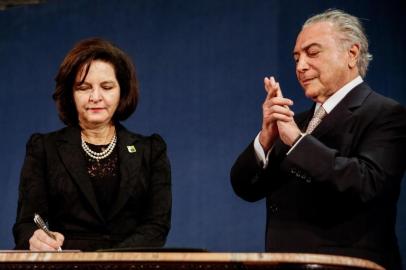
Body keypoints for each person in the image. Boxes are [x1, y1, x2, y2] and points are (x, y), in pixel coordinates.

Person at [230, 9, 406, 270]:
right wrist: (265, 139)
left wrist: (299, 143)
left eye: (312, 53)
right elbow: (246, 188)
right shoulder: (295, 123)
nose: (300, 66)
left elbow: (367, 183)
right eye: (297, 57)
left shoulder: (384, 113)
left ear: (352, 54)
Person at [13, 38, 171, 251]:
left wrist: (107, 262)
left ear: (122, 91)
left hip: (129, 265)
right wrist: (35, 238)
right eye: (84, 87)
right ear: (70, 94)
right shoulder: (43, 148)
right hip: (66, 266)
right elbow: (27, 223)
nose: (95, 97)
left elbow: (156, 226)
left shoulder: (151, 151)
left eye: (107, 87)